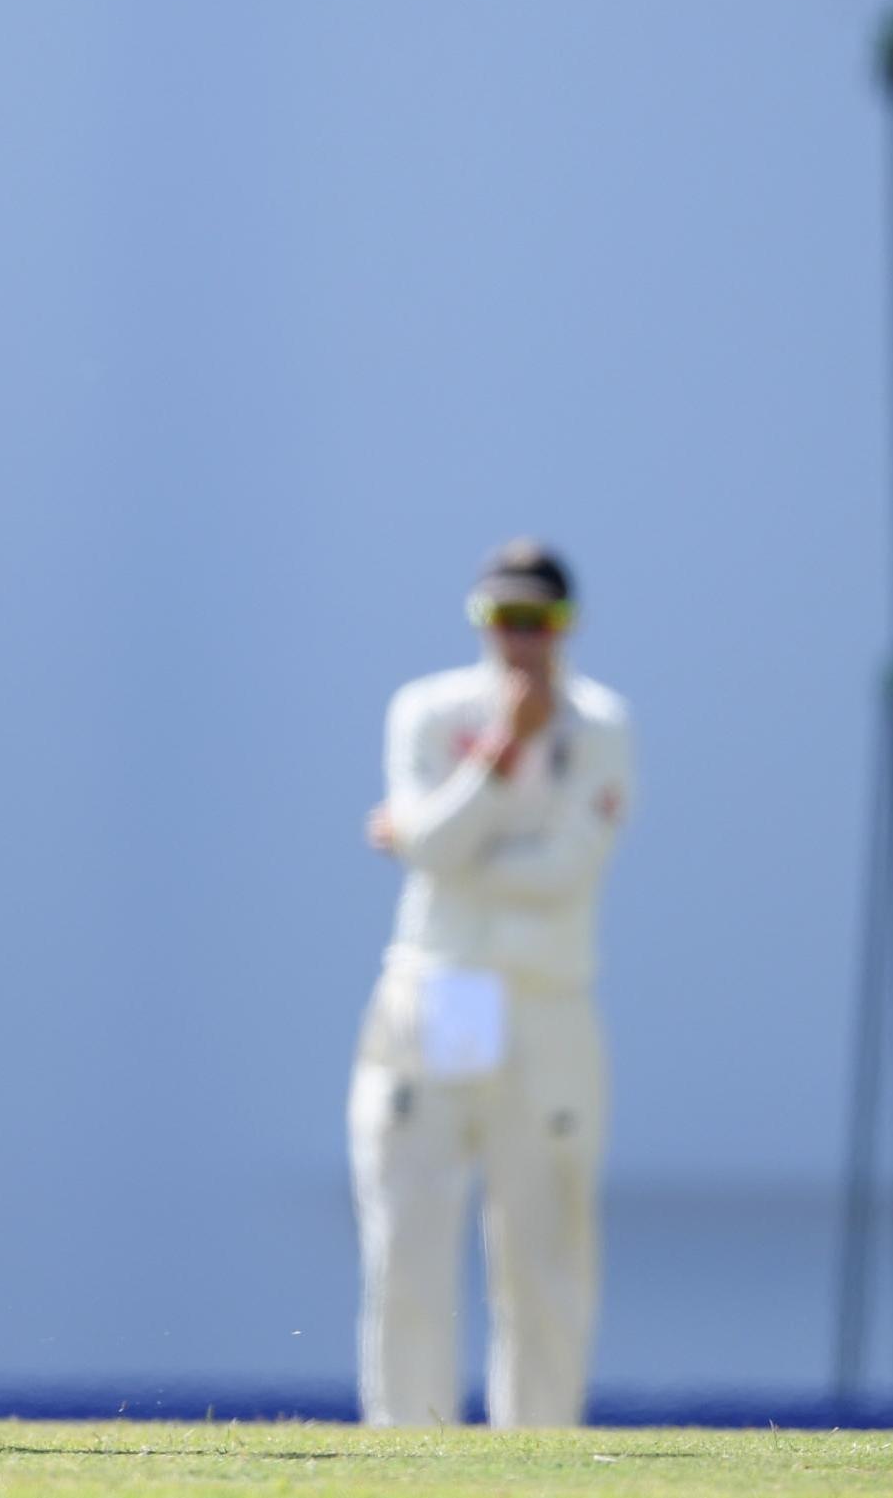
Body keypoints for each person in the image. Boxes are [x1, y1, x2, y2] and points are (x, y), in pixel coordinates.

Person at [355, 540, 634, 1428]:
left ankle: (542, 1458)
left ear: (565, 625)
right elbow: (439, 852)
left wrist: (435, 843)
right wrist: (500, 756)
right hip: (446, 988)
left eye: (536, 621)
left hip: (545, 995)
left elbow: (563, 869)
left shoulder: (599, 725)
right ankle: (407, 1455)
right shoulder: (431, 710)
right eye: (501, 619)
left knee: (544, 1246)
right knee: (411, 1238)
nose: (519, 641)